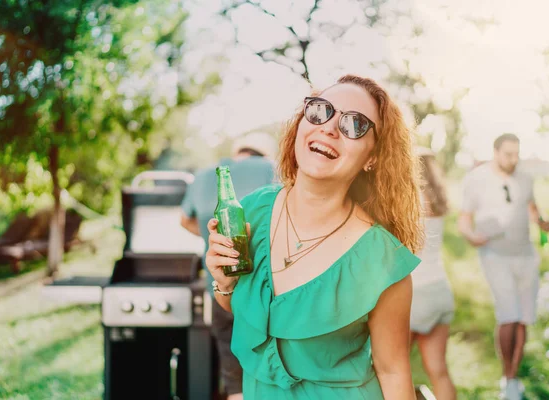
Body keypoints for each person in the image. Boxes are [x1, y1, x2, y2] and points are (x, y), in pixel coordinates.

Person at [205, 74, 424, 399]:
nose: (330, 127)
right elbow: (241, 309)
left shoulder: (381, 261)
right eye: (321, 111)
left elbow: (392, 373)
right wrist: (223, 281)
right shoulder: (250, 213)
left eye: (354, 124)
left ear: (374, 156)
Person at [180, 131, 277, 400]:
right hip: (265, 290)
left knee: (233, 372)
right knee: (269, 369)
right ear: (264, 154)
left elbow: (183, 220)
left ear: (237, 154)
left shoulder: (203, 175)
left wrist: (219, 240)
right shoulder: (271, 169)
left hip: (220, 285)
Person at [458, 133, 549, 400]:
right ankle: (506, 378)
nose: (514, 159)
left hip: (525, 255)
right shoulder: (477, 179)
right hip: (494, 255)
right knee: (508, 314)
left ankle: (513, 376)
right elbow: (464, 220)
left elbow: (533, 210)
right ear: (495, 152)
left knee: (523, 317)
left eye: (516, 154)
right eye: (508, 154)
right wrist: (471, 236)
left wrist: (543, 222)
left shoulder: (525, 178)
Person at [410, 147, 457, 400]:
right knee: (439, 371)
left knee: (391, 368)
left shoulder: (409, 199)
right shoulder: (437, 200)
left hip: (413, 294)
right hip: (440, 289)